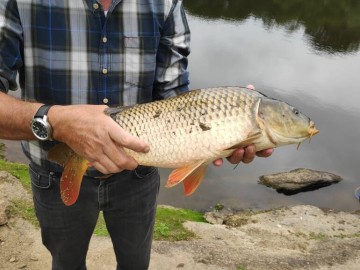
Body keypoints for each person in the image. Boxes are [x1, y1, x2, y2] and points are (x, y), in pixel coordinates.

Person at [0, 0, 273, 269]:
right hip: (55, 169)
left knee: (135, 264)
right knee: (66, 263)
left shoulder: (165, 5)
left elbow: (174, 97)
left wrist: (222, 122)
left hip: (137, 174)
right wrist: (55, 121)